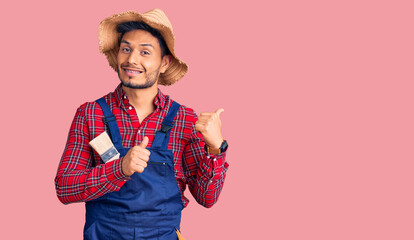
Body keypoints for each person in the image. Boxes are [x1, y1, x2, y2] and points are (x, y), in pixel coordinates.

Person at [54, 9, 229, 240]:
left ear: (165, 62)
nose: (131, 59)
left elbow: (207, 199)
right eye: (126, 49)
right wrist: (120, 169)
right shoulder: (90, 114)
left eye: (145, 51)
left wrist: (215, 148)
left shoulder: (185, 119)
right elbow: (65, 188)